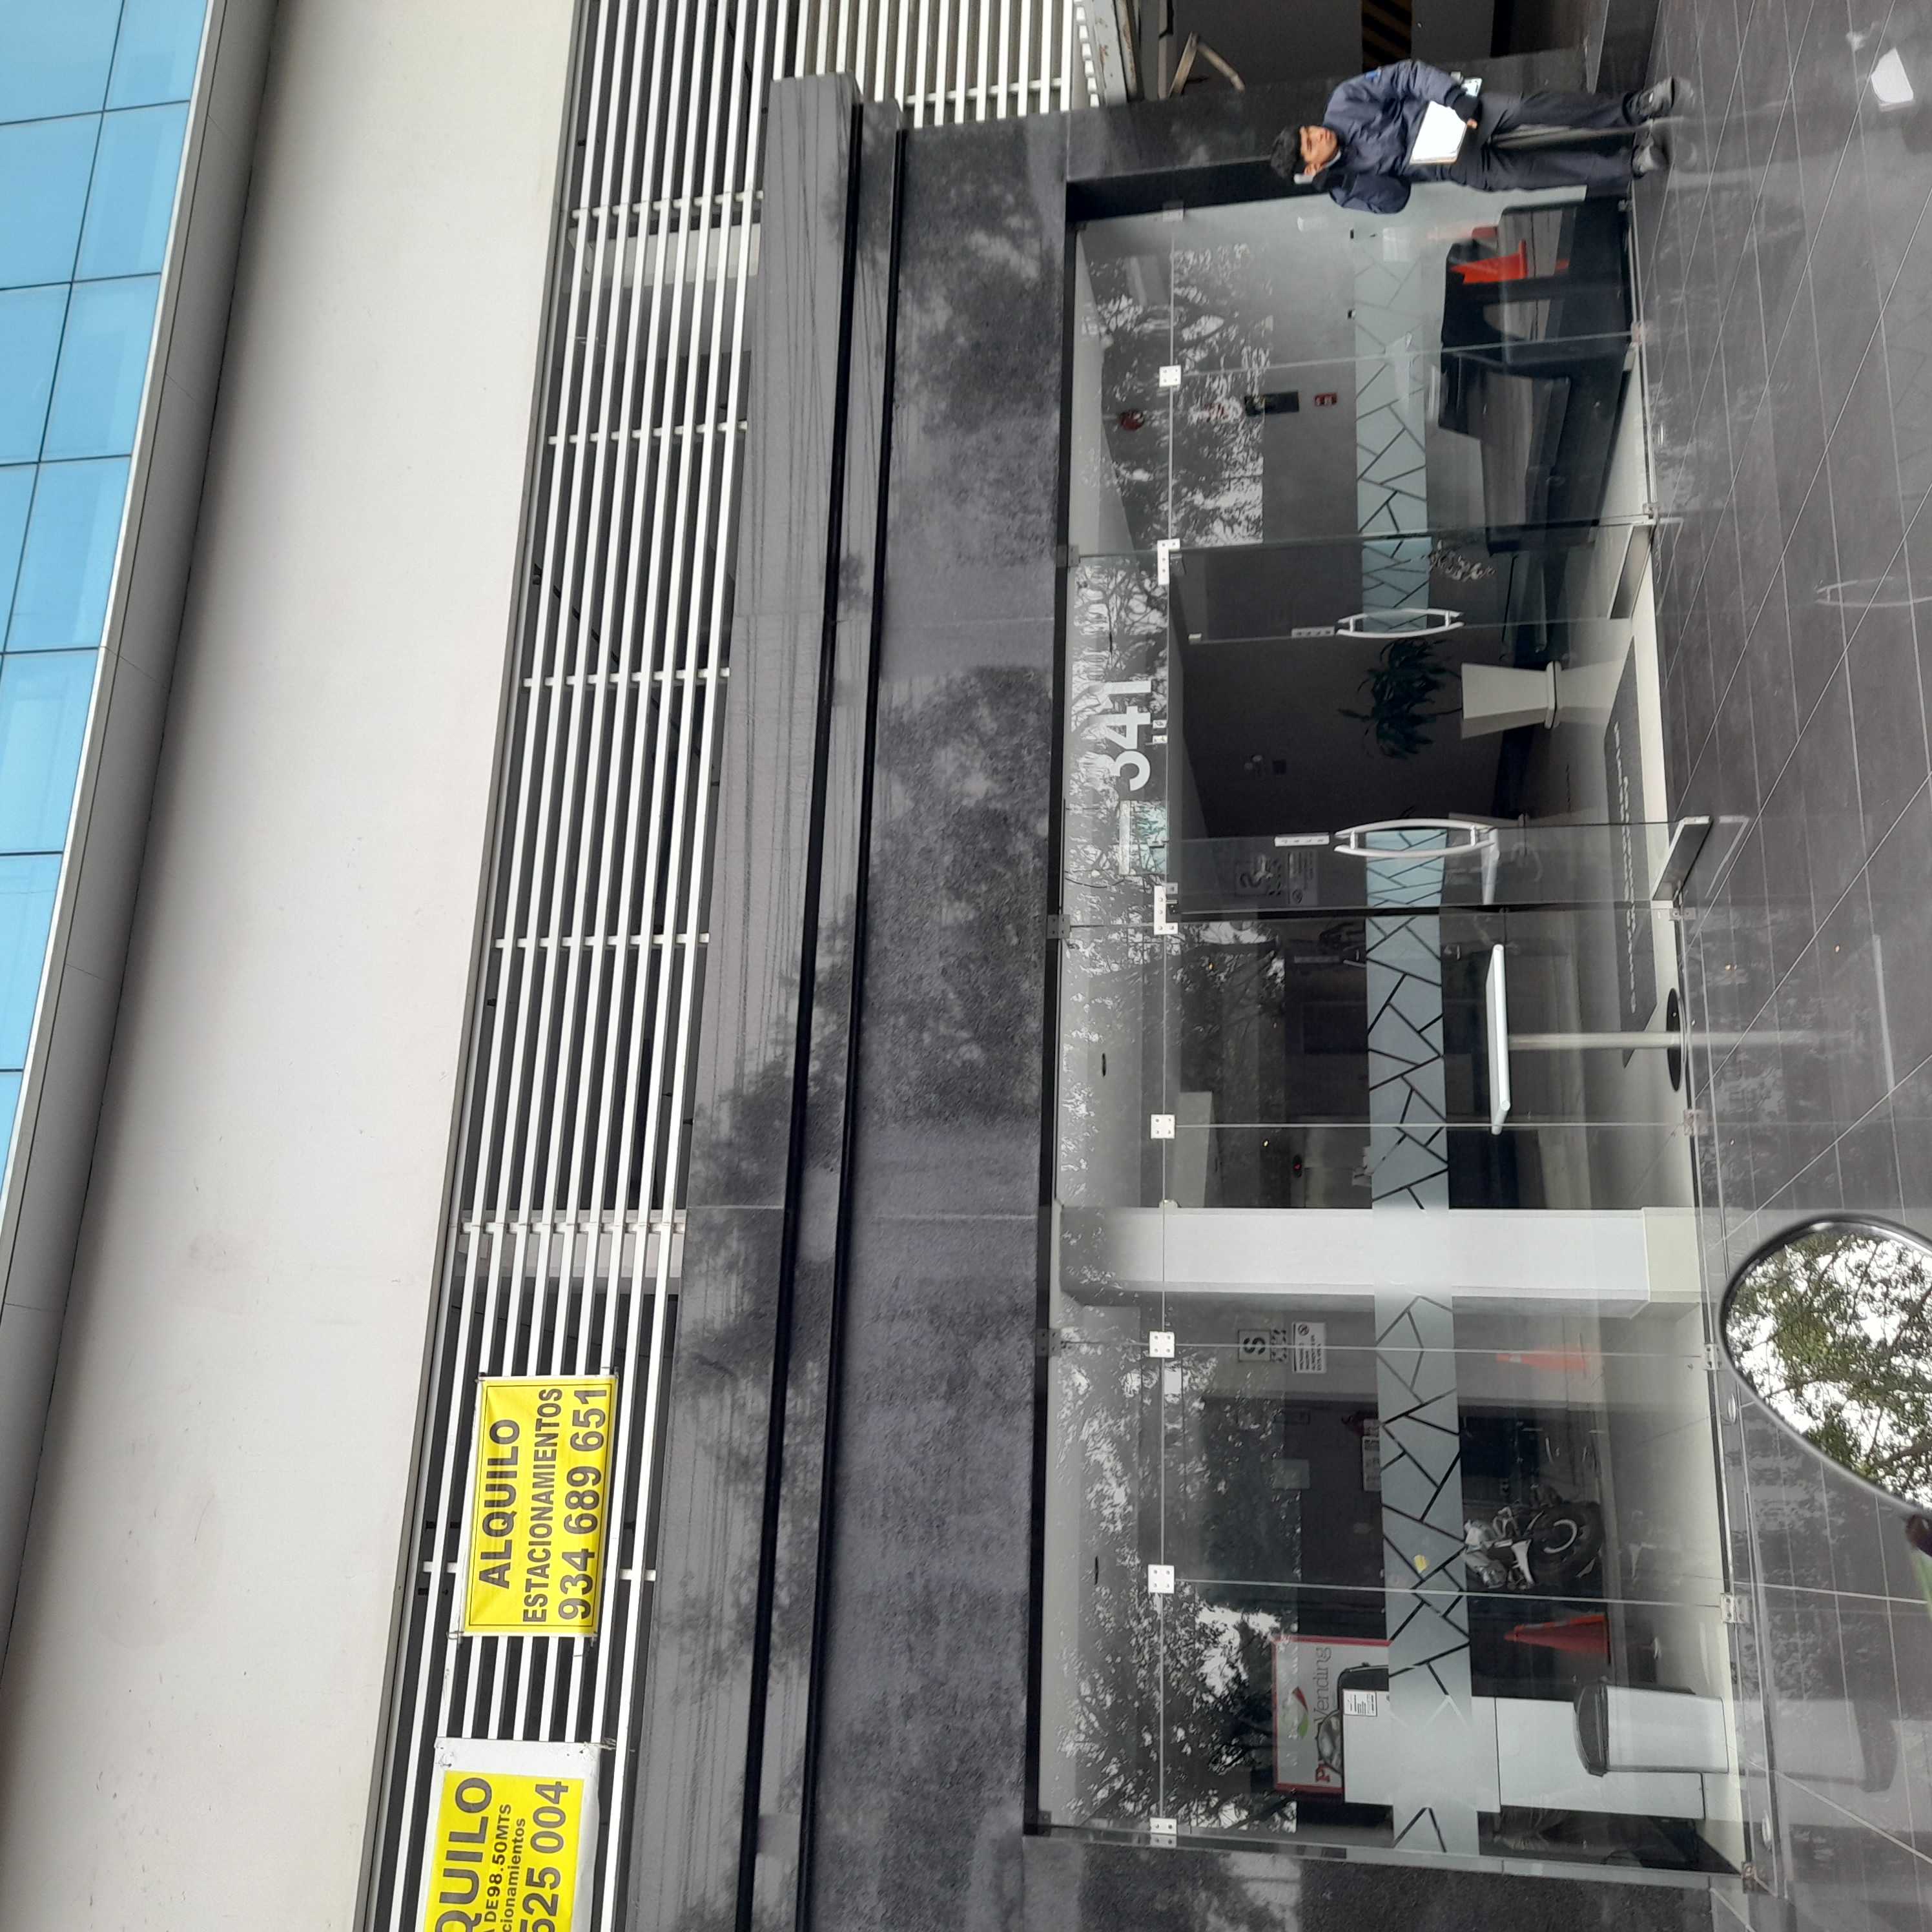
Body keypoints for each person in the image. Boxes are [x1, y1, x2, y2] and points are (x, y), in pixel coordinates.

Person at [1272, 60, 1681, 213]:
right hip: (1448, 163)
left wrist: (1454, 98)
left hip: (1448, 113)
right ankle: (1631, 164)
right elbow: (1396, 198)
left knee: (1527, 108)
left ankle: (1637, 107)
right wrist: (1346, 181)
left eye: (1309, 130)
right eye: (1310, 143)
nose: (1318, 133)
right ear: (1312, 167)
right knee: (1526, 175)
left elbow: (1405, 75)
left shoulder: (1343, 101)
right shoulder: (1342, 191)